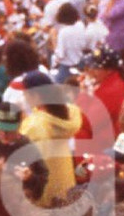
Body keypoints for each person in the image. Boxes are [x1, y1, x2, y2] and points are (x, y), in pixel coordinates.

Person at [17, 70, 83, 207]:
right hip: (66, 185)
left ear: (36, 95)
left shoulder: (33, 125)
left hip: (42, 192)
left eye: (25, 93)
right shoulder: (69, 113)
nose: (23, 96)